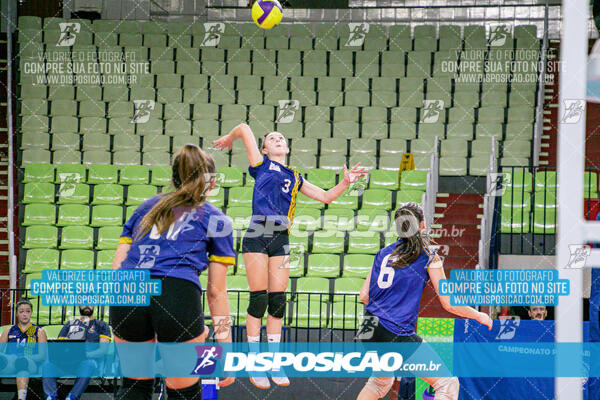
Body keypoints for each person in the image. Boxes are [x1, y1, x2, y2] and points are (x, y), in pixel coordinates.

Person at [213, 124, 368, 389]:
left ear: (287, 147)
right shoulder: (261, 164)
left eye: (281, 138)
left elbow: (325, 196)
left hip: (281, 236)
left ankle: (274, 361)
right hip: (257, 233)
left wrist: (345, 182)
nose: (277, 139)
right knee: (259, 297)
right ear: (264, 148)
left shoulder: (295, 175)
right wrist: (229, 138)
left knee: (278, 300)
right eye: (271, 138)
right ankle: (254, 363)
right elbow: (244, 128)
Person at [110, 144, 235, 400]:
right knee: (184, 392)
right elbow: (216, 292)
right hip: (176, 293)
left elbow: (116, 269)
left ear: (175, 177)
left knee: (135, 386)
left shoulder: (146, 207)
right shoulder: (217, 219)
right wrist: (226, 349)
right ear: (211, 182)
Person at [356, 202, 493, 400]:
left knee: (379, 382)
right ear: (422, 225)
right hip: (394, 332)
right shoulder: (429, 255)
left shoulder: (383, 252)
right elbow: (449, 303)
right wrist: (478, 314)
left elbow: (364, 296)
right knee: (447, 383)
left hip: (368, 328)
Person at [42, 305, 110, 400]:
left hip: (87, 364)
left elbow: (103, 350)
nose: (87, 305)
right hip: (68, 362)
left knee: (89, 364)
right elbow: (59, 347)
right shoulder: (70, 324)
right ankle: (50, 397)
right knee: (48, 365)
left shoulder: (101, 325)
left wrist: (85, 355)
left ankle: (72, 397)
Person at [0, 299, 47, 400]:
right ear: (16, 314)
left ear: (31, 313)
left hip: (30, 363)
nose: (25, 314)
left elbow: (42, 356)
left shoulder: (39, 331)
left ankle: (21, 398)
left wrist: (25, 357)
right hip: (10, 363)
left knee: (22, 364)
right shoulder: (8, 331)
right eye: (21, 311)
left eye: (28, 311)